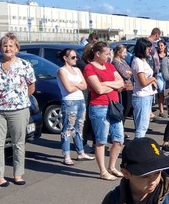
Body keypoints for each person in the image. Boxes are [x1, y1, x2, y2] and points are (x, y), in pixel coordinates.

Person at [0, 32, 36, 187]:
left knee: (18, 143)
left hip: (19, 109)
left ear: (16, 48)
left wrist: (18, 99)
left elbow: (31, 87)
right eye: (4, 45)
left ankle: (18, 174)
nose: (7, 48)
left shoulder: (25, 65)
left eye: (11, 46)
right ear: (0, 48)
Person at [84, 42, 126, 181]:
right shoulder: (89, 68)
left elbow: (121, 82)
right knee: (101, 141)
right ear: (97, 54)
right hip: (99, 107)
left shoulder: (110, 66)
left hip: (114, 106)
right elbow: (98, 89)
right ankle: (103, 171)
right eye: (107, 54)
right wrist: (113, 86)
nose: (109, 56)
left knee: (119, 140)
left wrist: (106, 84)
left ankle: (112, 167)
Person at [57, 48, 93, 166]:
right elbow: (68, 89)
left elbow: (85, 85)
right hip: (69, 101)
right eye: (73, 57)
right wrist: (78, 85)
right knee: (68, 128)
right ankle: (66, 155)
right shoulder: (62, 71)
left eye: (76, 57)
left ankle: (80, 152)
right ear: (65, 58)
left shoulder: (77, 69)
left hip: (80, 100)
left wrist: (75, 84)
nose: (75, 59)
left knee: (79, 127)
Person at [131, 38, 158, 140]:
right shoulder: (137, 62)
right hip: (141, 96)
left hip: (147, 95)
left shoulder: (143, 60)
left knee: (144, 125)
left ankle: (139, 143)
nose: (149, 50)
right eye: (147, 48)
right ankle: (138, 144)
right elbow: (143, 82)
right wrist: (152, 79)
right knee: (141, 127)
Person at [112, 44, 134, 122]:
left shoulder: (123, 61)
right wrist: (128, 73)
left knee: (127, 108)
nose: (126, 54)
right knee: (124, 108)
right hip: (123, 88)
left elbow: (131, 71)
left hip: (129, 87)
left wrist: (129, 72)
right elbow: (125, 75)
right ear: (119, 52)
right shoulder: (115, 62)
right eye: (124, 52)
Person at [156, 39, 169, 120]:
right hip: (159, 75)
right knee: (161, 92)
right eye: (159, 45)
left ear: (165, 46)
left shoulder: (168, 55)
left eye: (161, 45)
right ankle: (161, 111)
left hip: (166, 75)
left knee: (167, 93)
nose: (160, 47)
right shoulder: (155, 55)